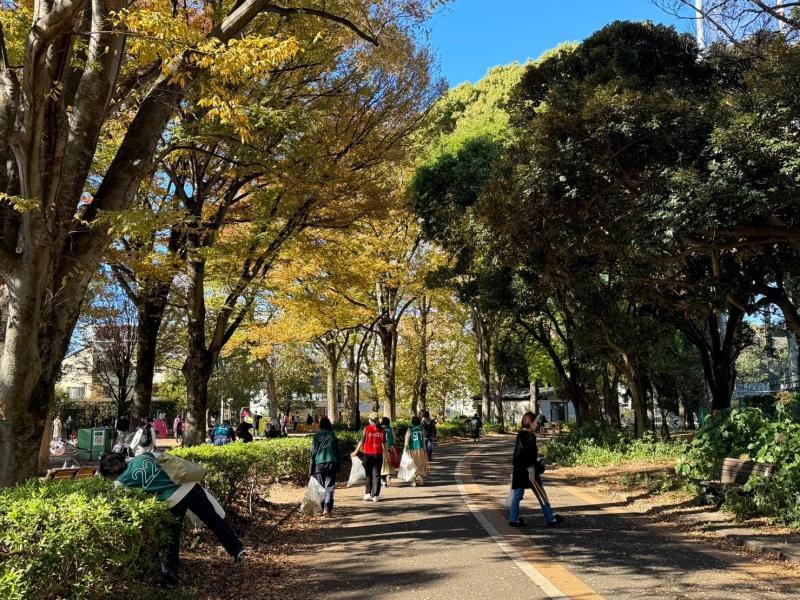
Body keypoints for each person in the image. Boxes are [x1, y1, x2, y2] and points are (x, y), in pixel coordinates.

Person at [98, 452, 245, 585]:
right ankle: (237, 549)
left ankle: (170, 579)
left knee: (171, 540)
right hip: (189, 486)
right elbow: (168, 459)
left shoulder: (119, 483)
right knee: (214, 520)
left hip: (173, 501)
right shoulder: (144, 456)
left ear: (110, 474)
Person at [508, 411, 563, 528]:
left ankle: (513, 519)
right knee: (541, 494)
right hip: (530, 471)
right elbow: (531, 456)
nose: (537, 424)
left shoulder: (520, 435)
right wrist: (538, 465)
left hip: (518, 470)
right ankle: (550, 519)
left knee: (517, 494)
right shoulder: (530, 436)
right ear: (530, 422)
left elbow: (518, 455)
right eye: (536, 422)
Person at [351, 412, 385, 502]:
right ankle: (375, 496)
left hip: (367, 455)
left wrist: (355, 451)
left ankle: (367, 494)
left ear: (370, 419)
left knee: (368, 475)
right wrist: (386, 455)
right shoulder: (382, 429)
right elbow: (384, 443)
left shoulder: (366, 428)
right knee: (377, 475)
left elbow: (362, 441)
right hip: (378, 454)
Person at [310, 416, 340, 517]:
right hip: (331, 462)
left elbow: (313, 452)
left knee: (321, 487)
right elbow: (337, 451)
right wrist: (338, 465)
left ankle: (323, 507)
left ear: (320, 425)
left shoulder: (317, 435)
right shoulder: (332, 434)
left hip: (319, 464)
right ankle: (327, 508)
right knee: (329, 487)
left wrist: (311, 468)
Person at [404, 415, 429, 486]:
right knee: (420, 464)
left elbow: (407, 439)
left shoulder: (410, 429)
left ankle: (413, 481)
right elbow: (423, 440)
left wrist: (406, 448)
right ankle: (419, 476)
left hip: (412, 449)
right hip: (420, 449)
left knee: (413, 464)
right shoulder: (421, 429)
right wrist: (425, 449)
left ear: (412, 422)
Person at [380, 416, 397, 487]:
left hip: (382, 448)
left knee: (382, 465)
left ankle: (383, 481)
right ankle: (389, 474)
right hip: (391, 447)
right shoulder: (390, 428)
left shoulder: (380, 429)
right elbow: (394, 437)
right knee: (390, 463)